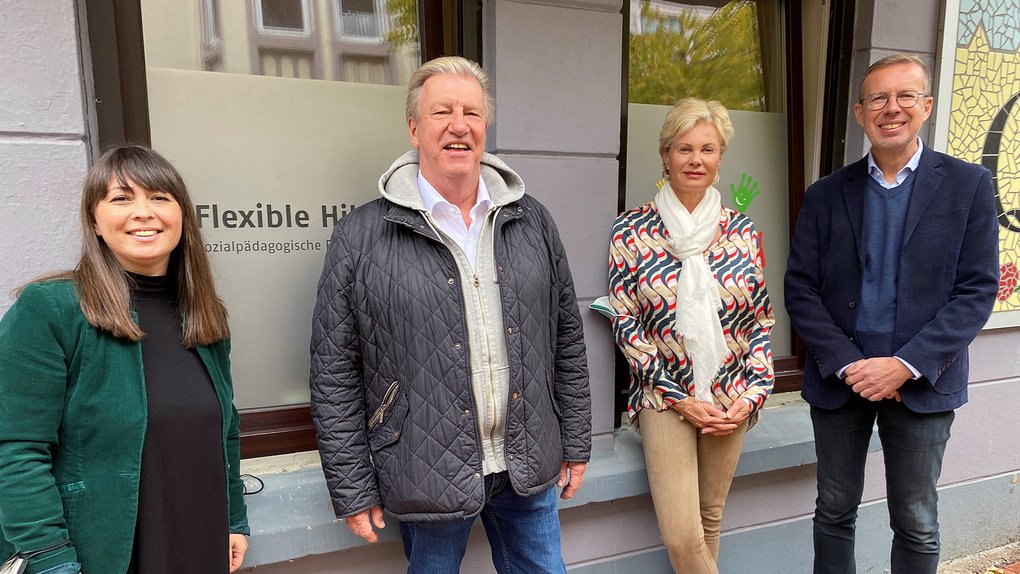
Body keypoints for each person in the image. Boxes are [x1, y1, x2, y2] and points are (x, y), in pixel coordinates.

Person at [309, 56, 591, 574]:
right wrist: (351, 485)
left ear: (485, 127)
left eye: (472, 113)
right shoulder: (362, 235)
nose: (459, 126)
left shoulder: (531, 220)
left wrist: (574, 440)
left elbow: (566, 340)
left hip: (527, 461)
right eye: (442, 112)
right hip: (424, 465)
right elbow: (335, 372)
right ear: (414, 128)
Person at [785, 54, 999, 573]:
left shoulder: (968, 185)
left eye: (905, 96)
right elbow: (801, 289)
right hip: (842, 380)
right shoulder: (825, 194)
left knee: (916, 521)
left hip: (923, 381)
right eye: (878, 98)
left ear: (926, 106)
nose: (892, 108)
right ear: (860, 113)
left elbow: (976, 291)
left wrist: (905, 365)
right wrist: (848, 363)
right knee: (833, 510)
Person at [0, 145, 250, 574]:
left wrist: (234, 519)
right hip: (97, 557)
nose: (143, 212)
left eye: (159, 197)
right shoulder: (52, 309)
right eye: (121, 198)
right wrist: (51, 560)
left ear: (182, 216)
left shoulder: (206, 317)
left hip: (201, 542)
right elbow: (15, 448)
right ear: (95, 221)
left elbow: (225, 429)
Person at [608, 97, 775, 573]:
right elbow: (626, 321)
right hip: (663, 396)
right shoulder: (632, 230)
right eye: (684, 148)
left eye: (708, 149)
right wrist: (680, 398)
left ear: (721, 158)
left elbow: (760, 322)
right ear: (666, 156)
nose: (696, 159)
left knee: (709, 518)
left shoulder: (742, 232)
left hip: (730, 396)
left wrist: (753, 396)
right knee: (683, 534)